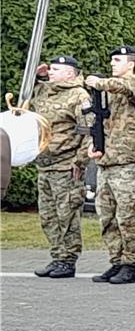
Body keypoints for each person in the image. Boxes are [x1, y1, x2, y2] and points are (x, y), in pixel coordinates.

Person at [87, 46, 135, 284]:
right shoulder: (108, 90)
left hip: (126, 161)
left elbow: (125, 86)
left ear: (130, 64)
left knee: (128, 215)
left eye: (117, 60)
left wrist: (100, 82)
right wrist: (93, 145)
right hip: (106, 161)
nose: (112, 64)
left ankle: (130, 264)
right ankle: (116, 261)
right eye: (111, 60)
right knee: (107, 216)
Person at [30, 56, 90, 279]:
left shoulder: (79, 95)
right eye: (51, 69)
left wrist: (80, 161)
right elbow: (25, 98)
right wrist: (36, 76)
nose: (52, 72)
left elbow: (88, 131)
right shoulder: (44, 90)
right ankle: (57, 256)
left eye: (57, 69)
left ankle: (68, 259)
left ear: (70, 73)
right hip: (45, 164)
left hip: (66, 165)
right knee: (48, 215)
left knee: (67, 214)